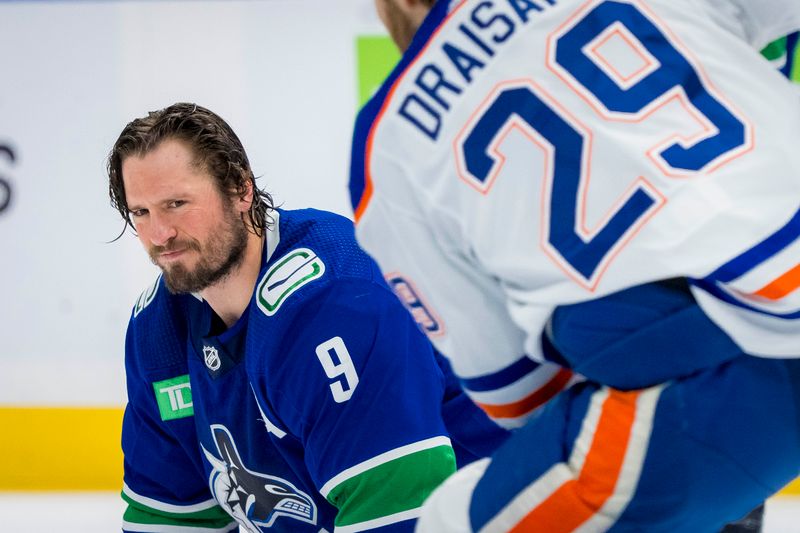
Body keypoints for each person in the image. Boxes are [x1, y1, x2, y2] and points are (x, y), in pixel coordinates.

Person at [349, 1, 800, 531]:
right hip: (756, 308)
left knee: (454, 518)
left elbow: (518, 394)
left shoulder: (389, 146)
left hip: (727, 378)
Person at [107, 102, 508, 533]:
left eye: (176, 203)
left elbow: (397, 515)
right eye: (141, 212)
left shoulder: (333, 306)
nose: (158, 234)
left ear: (241, 190)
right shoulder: (159, 331)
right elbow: (173, 518)